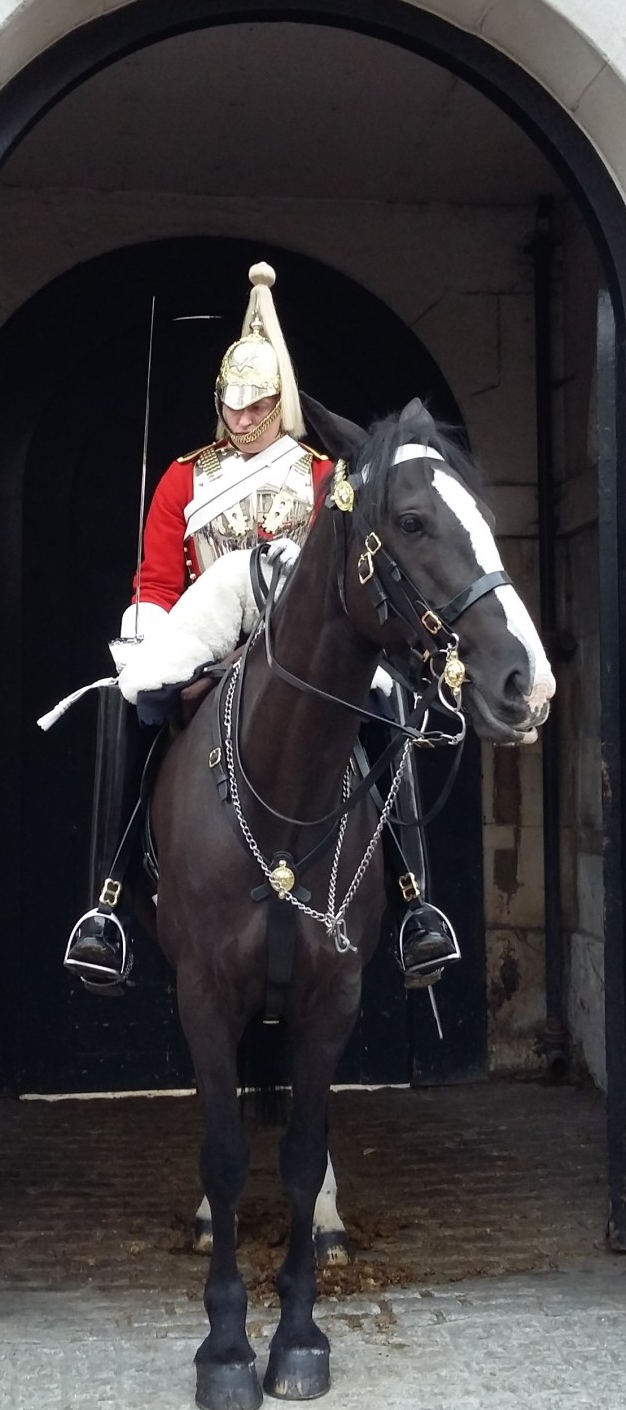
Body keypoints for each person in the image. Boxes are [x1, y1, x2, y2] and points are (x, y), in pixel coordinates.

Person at [62, 261, 459, 991]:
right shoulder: (186, 477)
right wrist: (156, 645)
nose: (243, 421)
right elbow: (156, 577)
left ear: (280, 403)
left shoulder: (318, 475)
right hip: (205, 638)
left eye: (258, 406)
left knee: (391, 706)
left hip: (303, 644)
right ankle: (109, 905)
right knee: (123, 707)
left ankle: (413, 903)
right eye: (232, 406)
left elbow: (337, 571)